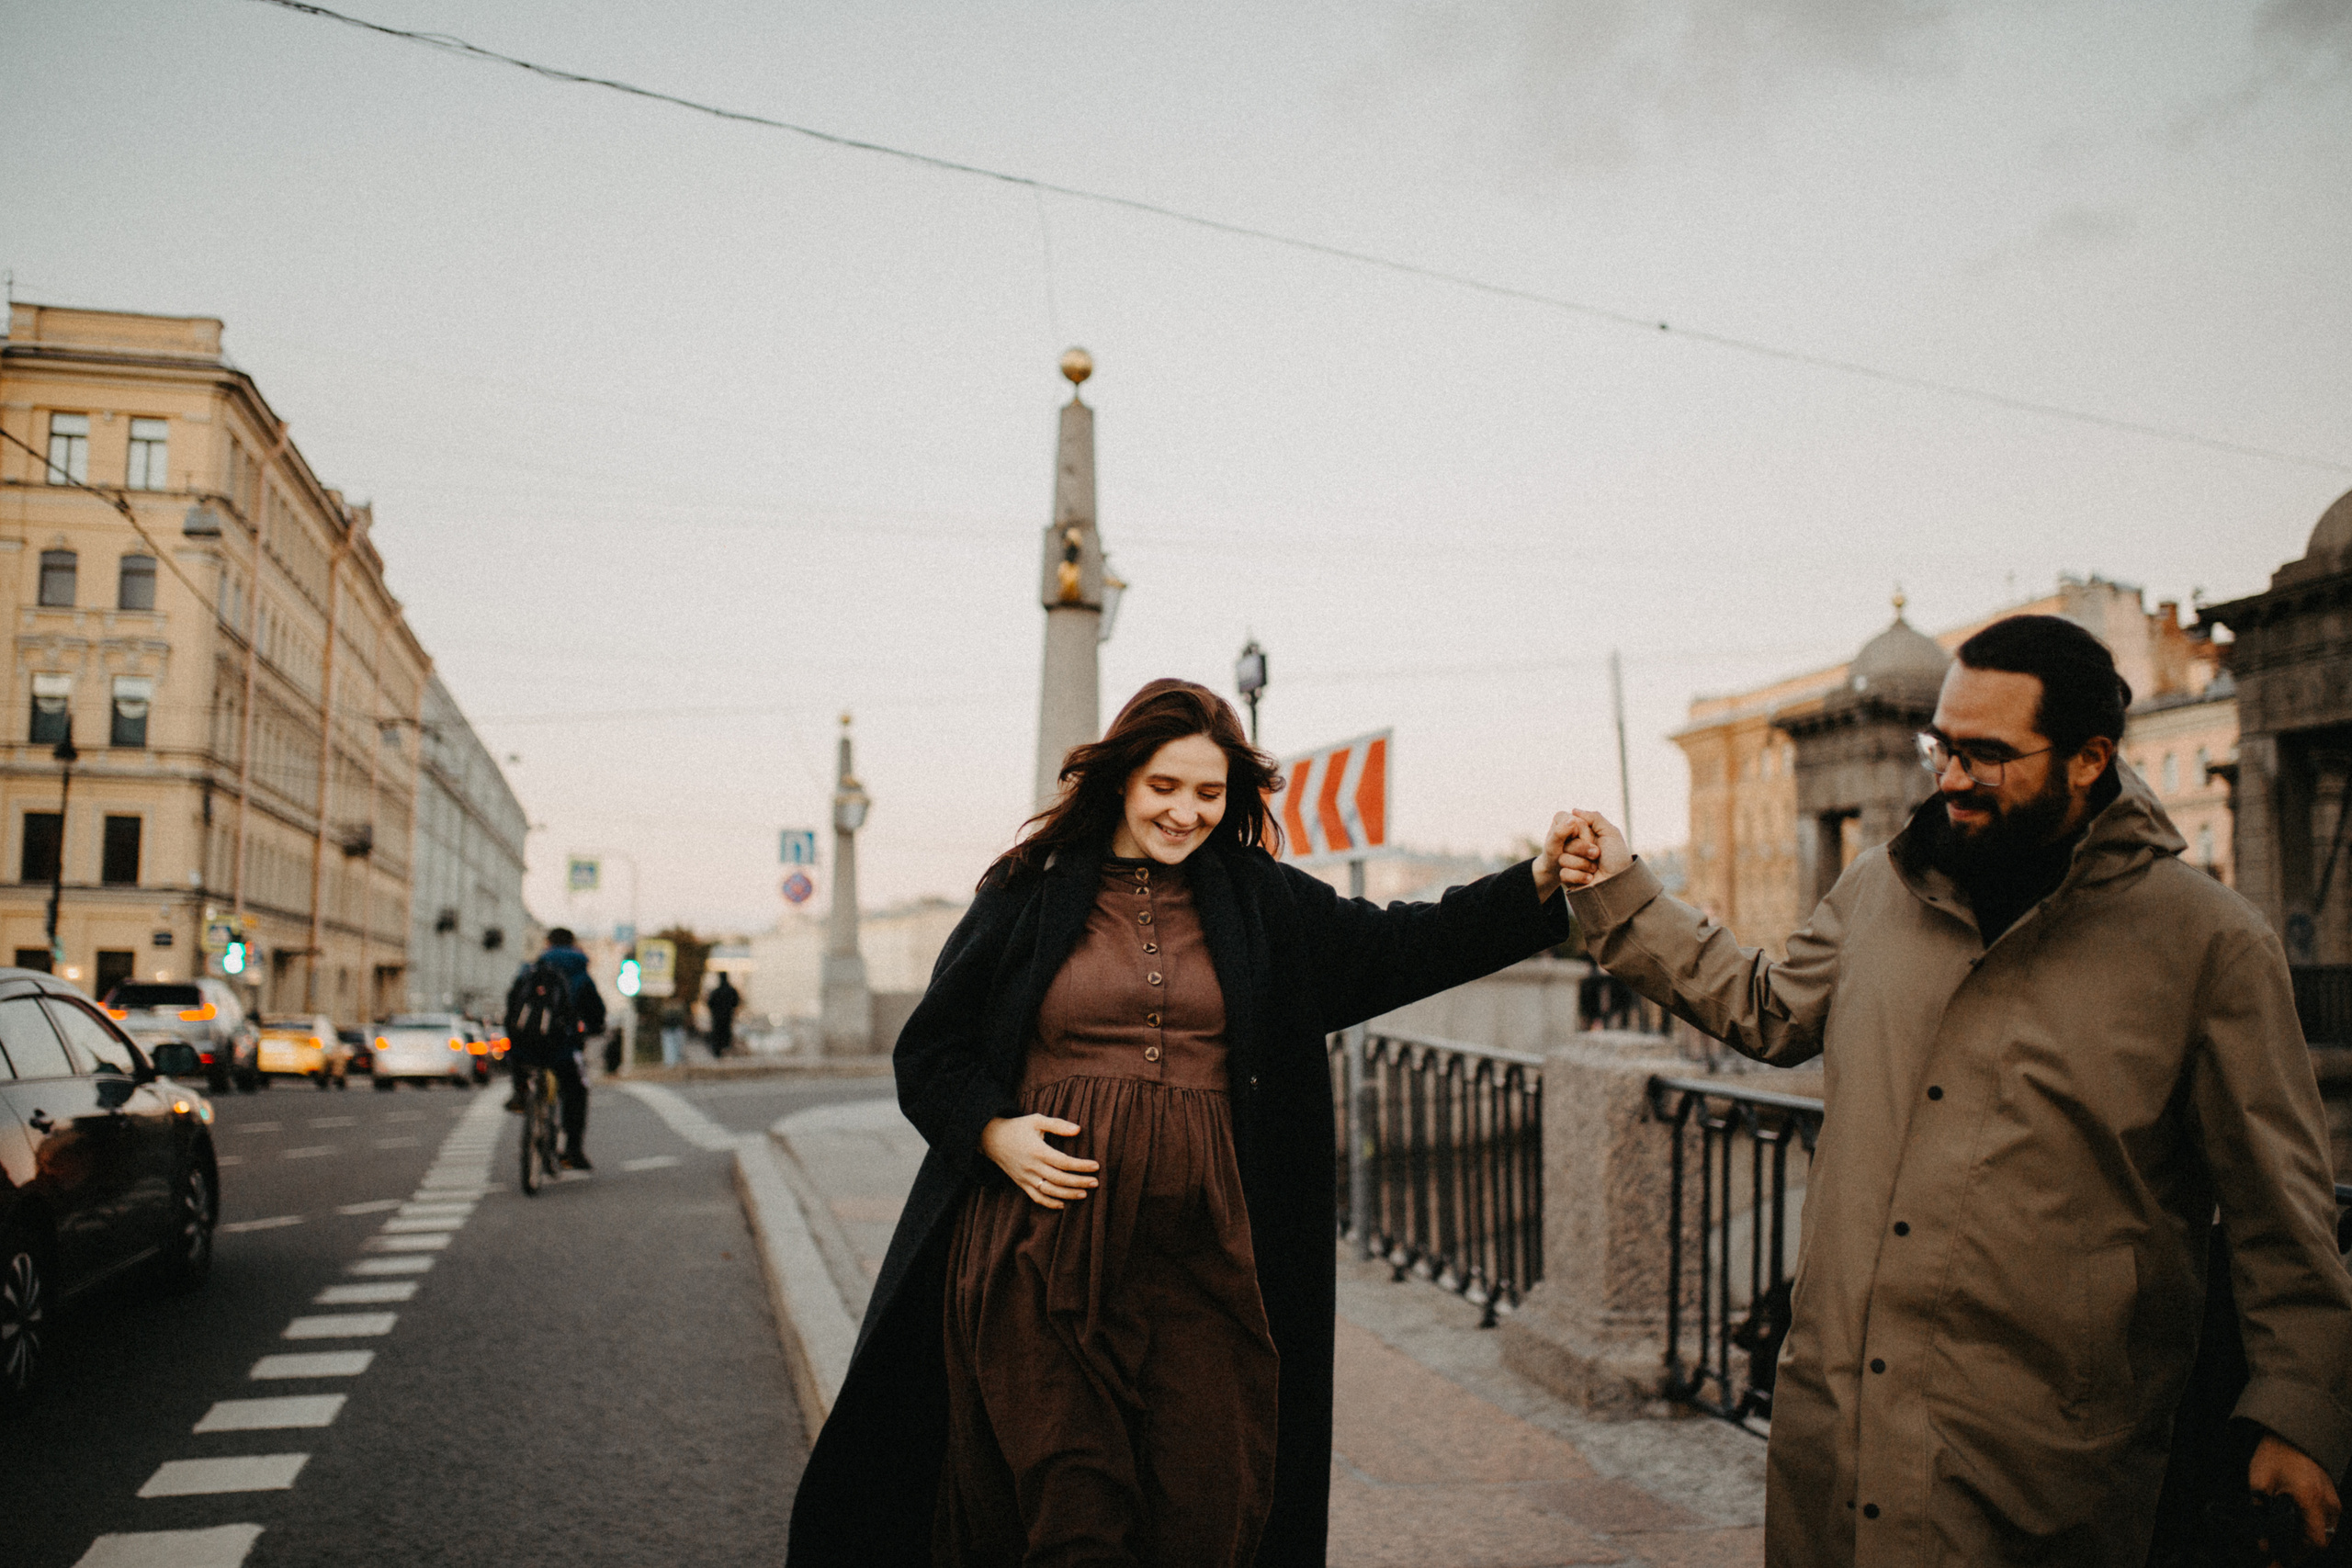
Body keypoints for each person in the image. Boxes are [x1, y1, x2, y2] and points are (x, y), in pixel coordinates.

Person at [1555, 615, 2352, 1565]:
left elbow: (2280, 1214)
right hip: (1837, 1440)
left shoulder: (2209, 944)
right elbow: (1765, 1004)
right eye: (1942, 746)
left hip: (2043, 1471)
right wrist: (1622, 893)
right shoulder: (1877, 891)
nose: (1953, 777)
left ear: (2089, 758)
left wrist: (2296, 1418)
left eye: (1988, 755)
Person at [786, 679, 1581, 1568]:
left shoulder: (1257, 900)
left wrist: (1536, 881)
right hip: (1043, 1251)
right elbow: (932, 1050)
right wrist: (992, 1132)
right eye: (1164, 785)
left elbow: (1400, 943)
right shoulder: (1028, 890)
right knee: (1071, 1514)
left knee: (1206, 1505)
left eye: (1208, 792)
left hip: (1206, 1257)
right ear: (1122, 777)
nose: (1185, 811)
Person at [503, 927, 607, 1171]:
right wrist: (593, 1028)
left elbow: (512, 1004)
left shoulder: (530, 969)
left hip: (526, 1046)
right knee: (576, 1091)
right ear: (573, 944)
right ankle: (572, 1152)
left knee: (521, 1061)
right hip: (562, 1048)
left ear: (547, 944)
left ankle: (520, 1093)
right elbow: (596, 1011)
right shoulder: (580, 973)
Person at [705, 971, 740, 1058]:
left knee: (718, 1034)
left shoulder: (716, 992)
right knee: (726, 1033)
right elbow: (736, 1002)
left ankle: (719, 1052)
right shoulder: (731, 991)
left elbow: (710, 1003)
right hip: (727, 1016)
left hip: (718, 1017)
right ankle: (725, 1049)